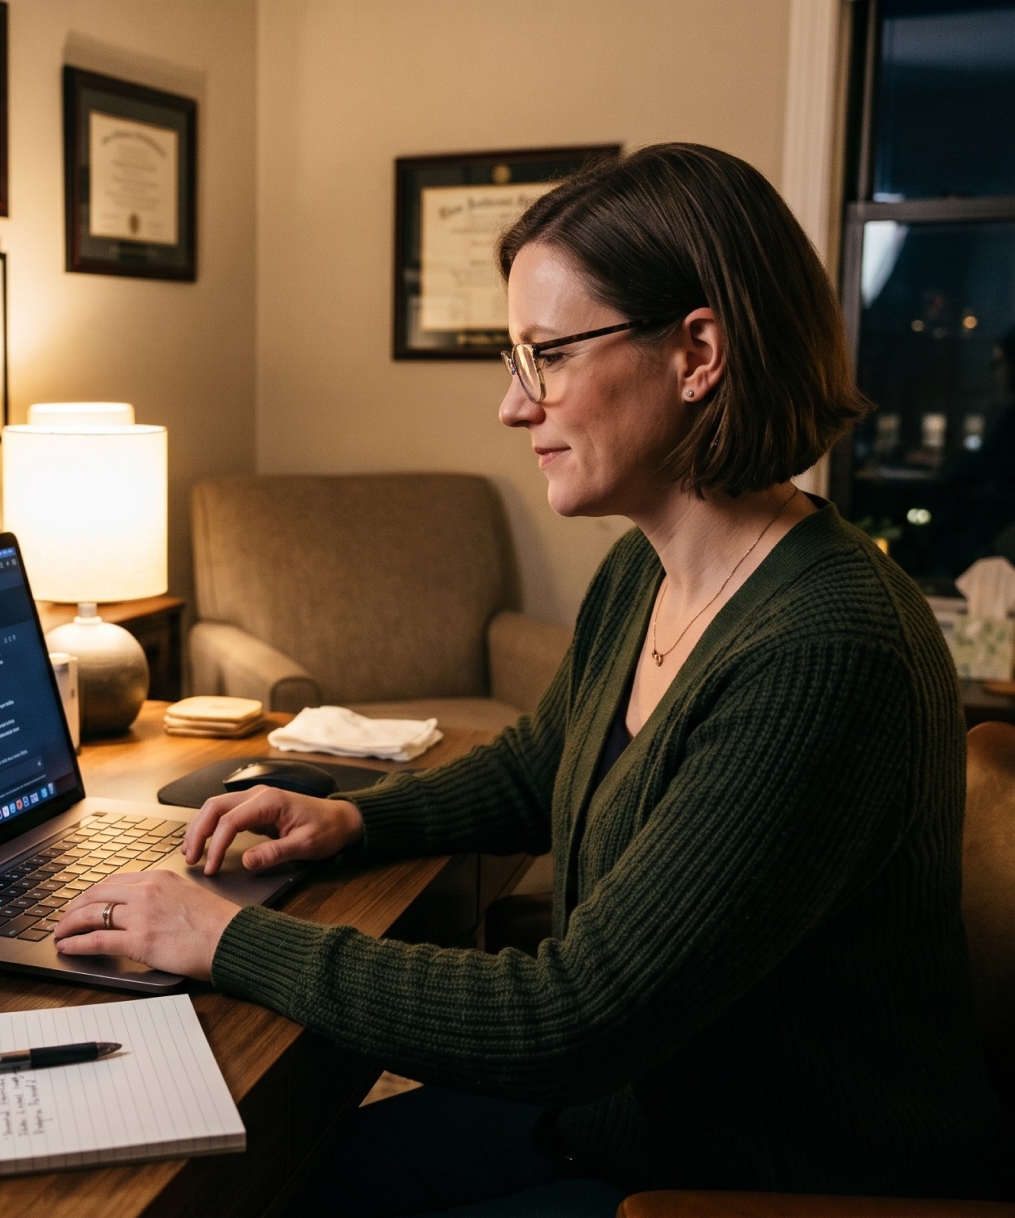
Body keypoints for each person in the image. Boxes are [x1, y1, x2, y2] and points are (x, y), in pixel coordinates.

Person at [54, 144, 1003, 1213]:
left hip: (756, 1175)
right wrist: (357, 824)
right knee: (265, 1180)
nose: (514, 406)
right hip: (634, 1113)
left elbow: (570, 1019)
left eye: (545, 355)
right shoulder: (648, 563)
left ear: (698, 351)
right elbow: (541, 763)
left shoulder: (826, 651)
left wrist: (225, 935)